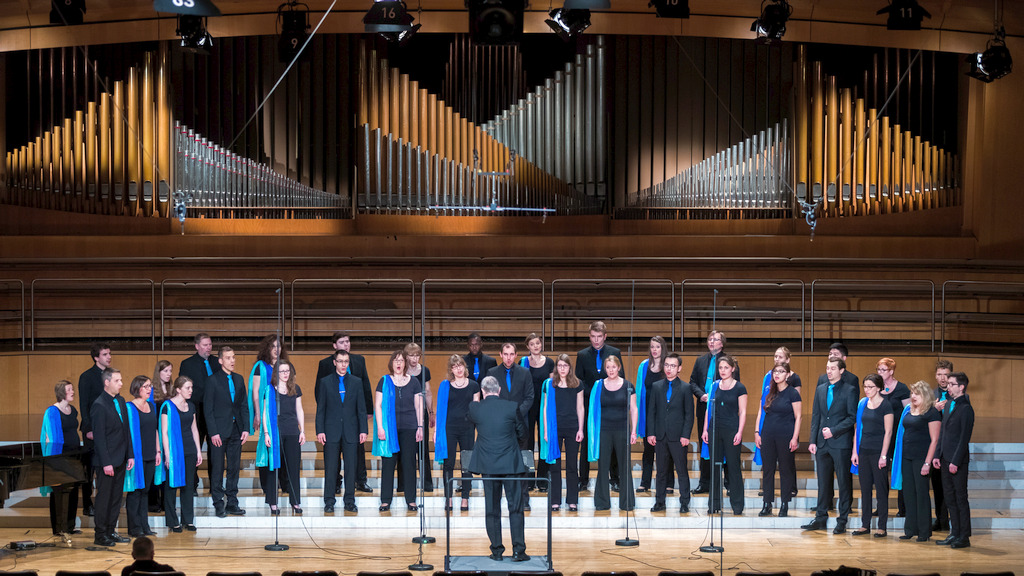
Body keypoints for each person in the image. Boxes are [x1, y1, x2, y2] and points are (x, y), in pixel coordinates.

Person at [468, 376, 529, 563]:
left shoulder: (475, 408)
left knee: (492, 509)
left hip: (488, 465)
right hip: (510, 463)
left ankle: (496, 551)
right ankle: (518, 551)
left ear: (483, 391)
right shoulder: (512, 407)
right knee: (515, 508)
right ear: (499, 390)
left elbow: (469, 422)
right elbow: (522, 433)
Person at [802, 357, 858, 534]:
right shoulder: (820, 389)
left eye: (833, 368)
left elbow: (851, 417)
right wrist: (812, 440)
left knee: (843, 482)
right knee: (823, 483)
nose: (829, 371)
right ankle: (820, 518)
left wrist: (834, 430)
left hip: (840, 442)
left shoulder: (850, 390)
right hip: (822, 443)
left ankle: (842, 520)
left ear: (841, 370)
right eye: (827, 368)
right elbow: (816, 416)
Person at [316, 331, 373, 494]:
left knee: (358, 452)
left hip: (354, 416)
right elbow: (319, 391)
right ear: (334, 346)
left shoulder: (359, 360)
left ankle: (360, 481)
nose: (346, 344)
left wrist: (368, 410)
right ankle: (335, 483)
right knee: (333, 456)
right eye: (342, 342)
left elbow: (366, 386)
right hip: (334, 418)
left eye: (347, 341)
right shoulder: (325, 363)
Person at [688, 330, 738, 494]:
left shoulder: (729, 362)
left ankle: (729, 484)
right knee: (705, 445)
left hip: (723, 411)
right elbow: (693, 382)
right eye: (710, 339)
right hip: (704, 409)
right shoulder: (700, 360)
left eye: (715, 339)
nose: (711, 342)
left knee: (724, 446)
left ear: (722, 344)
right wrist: (701, 395)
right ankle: (705, 483)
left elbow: (736, 386)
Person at [575, 321, 622, 492]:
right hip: (589, 404)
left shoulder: (614, 353)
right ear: (589, 336)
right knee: (586, 441)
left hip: (610, 404)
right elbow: (578, 381)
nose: (596, 340)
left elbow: (620, 378)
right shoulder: (582, 355)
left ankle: (614, 478)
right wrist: (594, 392)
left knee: (612, 442)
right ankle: (583, 479)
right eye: (593, 337)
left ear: (605, 336)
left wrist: (605, 393)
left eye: (599, 337)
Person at [374, 350, 423, 512]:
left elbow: (418, 406)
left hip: (409, 428)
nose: (398, 363)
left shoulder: (414, 382)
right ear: (391, 363)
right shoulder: (384, 381)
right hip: (389, 429)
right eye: (395, 360)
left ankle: (411, 500)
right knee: (388, 464)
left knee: (409, 464)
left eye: (401, 360)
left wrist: (420, 427)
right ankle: (385, 500)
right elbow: (378, 406)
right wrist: (380, 428)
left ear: (405, 363)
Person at [892, 380, 941, 542]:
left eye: (917, 393)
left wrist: (927, 463)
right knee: (908, 493)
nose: (913, 396)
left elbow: (934, 440)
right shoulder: (909, 410)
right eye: (912, 393)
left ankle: (924, 532)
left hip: (922, 458)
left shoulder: (932, 412)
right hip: (907, 457)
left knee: (921, 494)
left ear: (925, 395)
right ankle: (910, 529)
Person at [488, 342, 535, 509]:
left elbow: (529, 397)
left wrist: (514, 414)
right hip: (500, 427)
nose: (508, 357)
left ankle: (523, 501)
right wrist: (504, 416)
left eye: (511, 354)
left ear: (516, 355)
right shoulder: (492, 373)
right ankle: (498, 502)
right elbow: (490, 397)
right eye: (505, 354)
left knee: (521, 464)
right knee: (500, 464)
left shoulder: (525, 372)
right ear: (500, 354)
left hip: (520, 425)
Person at [204, 345, 249, 518]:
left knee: (233, 468)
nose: (232, 360)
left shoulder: (238, 379)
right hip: (218, 432)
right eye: (229, 358)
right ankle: (218, 502)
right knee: (217, 468)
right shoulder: (212, 380)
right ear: (221, 360)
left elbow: (243, 406)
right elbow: (208, 409)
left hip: (236, 430)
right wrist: (213, 432)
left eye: (234, 357)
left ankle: (232, 502)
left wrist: (245, 427)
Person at [90, 367, 134, 546]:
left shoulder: (121, 401)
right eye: (117, 381)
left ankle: (110, 530)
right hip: (107, 462)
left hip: (121, 458)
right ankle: (100, 534)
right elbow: (99, 438)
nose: (121, 384)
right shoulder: (99, 405)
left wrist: (130, 455)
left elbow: (126, 431)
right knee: (105, 498)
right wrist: (106, 463)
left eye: (121, 380)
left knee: (116, 497)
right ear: (107, 382)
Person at [588, 355, 637, 511]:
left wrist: (634, 431)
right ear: (605, 368)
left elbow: (634, 409)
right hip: (604, 430)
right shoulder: (598, 386)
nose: (611, 370)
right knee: (603, 466)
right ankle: (602, 502)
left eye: (613, 367)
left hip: (623, 430)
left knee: (625, 466)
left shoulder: (628, 386)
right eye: (608, 367)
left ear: (619, 367)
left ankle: (627, 502)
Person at [646, 352, 693, 513]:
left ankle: (685, 502)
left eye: (673, 366)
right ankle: (660, 502)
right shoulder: (657, 386)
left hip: (678, 437)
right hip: (660, 436)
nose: (669, 368)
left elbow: (689, 414)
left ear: (679, 368)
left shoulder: (686, 388)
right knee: (661, 471)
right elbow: (651, 411)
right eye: (666, 365)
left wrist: (686, 435)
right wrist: (651, 433)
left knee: (681, 471)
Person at [701, 355, 747, 515]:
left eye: (726, 367)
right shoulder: (714, 386)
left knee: (733, 467)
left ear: (732, 368)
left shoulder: (740, 388)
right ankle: (714, 504)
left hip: (732, 430)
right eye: (720, 368)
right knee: (715, 467)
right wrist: (705, 429)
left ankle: (737, 505)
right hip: (715, 429)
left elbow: (742, 411)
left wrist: (740, 432)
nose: (722, 370)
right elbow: (708, 409)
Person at [933, 371, 974, 549]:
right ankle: (954, 532)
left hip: (957, 461)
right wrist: (937, 454)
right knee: (949, 498)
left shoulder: (966, 408)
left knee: (960, 498)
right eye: (948, 384)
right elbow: (943, 433)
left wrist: (955, 462)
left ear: (961, 387)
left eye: (951, 384)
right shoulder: (949, 404)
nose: (948, 387)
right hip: (944, 458)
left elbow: (964, 437)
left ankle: (963, 536)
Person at [754, 347, 802, 499]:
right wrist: (757, 432)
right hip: (769, 432)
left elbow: (798, 415)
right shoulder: (769, 388)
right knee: (767, 468)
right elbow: (761, 410)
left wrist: (795, 437)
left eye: (781, 371)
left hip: (786, 431)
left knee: (785, 467)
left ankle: (785, 501)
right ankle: (767, 502)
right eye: (775, 371)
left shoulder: (793, 388)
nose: (777, 374)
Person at [434, 354, 480, 512]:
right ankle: (449, 498)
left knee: (466, 464)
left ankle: (465, 498)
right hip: (449, 429)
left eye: (460, 365)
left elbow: (476, 408)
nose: (458, 369)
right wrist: (436, 432)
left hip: (467, 428)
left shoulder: (474, 385)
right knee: (448, 464)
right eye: (455, 366)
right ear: (451, 369)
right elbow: (440, 410)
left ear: (464, 367)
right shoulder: (445, 385)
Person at [540, 354, 584, 512]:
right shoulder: (549, 384)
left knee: (572, 465)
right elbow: (545, 409)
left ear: (570, 367)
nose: (563, 369)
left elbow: (580, 407)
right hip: (554, 428)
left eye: (565, 366)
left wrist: (580, 429)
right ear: (556, 367)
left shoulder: (577, 384)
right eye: (560, 366)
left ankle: (572, 500)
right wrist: (546, 430)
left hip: (572, 428)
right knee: (555, 466)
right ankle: (555, 501)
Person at [850, 373, 893, 536]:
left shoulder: (886, 405)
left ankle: (882, 526)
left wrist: (883, 455)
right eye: (865, 387)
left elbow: (888, 432)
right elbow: (857, 429)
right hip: (864, 450)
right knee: (865, 489)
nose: (867, 390)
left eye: (870, 387)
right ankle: (865, 524)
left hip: (878, 451)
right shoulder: (863, 403)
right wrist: (855, 451)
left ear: (879, 388)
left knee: (881, 490)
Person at [161, 375, 202, 532]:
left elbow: (194, 429)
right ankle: (173, 521)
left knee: (188, 485)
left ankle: (188, 520)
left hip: (190, 449)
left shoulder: (191, 406)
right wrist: (167, 454)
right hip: (174, 451)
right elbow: (164, 432)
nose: (190, 391)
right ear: (178, 389)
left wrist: (198, 450)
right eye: (187, 388)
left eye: (191, 388)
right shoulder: (167, 406)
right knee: (172, 486)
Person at [40, 380, 81, 536]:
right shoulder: (52, 411)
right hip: (59, 457)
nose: (73, 392)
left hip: (75, 457)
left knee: (73, 491)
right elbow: (49, 437)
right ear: (62, 392)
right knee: (58, 491)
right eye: (69, 390)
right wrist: (54, 460)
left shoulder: (73, 410)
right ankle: (59, 528)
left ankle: (69, 526)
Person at [264, 360, 305, 514]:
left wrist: (303, 431)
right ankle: (273, 503)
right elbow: (265, 412)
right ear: (276, 373)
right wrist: (267, 433)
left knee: (294, 469)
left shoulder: (295, 389)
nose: (285, 374)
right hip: (275, 433)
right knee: (274, 468)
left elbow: (299, 410)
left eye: (287, 371)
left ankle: (295, 502)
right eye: (282, 371)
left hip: (292, 432)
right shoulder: (269, 389)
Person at [78, 342, 112, 517]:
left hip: (107, 427)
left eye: (109, 353)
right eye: (105, 354)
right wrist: (88, 428)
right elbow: (84, 405)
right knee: (89, 468)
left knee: (103, 464)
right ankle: (87, 504)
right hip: (92, 428)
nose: (109, 357)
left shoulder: (110, 375)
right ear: (96, 357)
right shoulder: (87, 376)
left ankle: (103, 502)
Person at [178, 333, 216, 487]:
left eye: (210, 344)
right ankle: (192, 483)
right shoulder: (187, 363)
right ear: (197, 346)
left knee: (215, 448)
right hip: (197, 409)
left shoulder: (216, 362)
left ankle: (214, 484)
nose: (209, 348)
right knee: (195, 445)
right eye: (205, 345)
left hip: (214, 410)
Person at [250, 334, 285, 501]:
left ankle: (281, 482)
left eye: (279, 347)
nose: (277, 350)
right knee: (266, 446)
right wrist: (257, 412)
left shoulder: (283, 366)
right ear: (267, 349)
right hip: (266, 411)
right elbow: (255, 391)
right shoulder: (260, 366)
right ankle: (267, 484)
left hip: (282, 413)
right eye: (273, 347)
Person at [124, 376, 160, 537]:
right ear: (137, 388)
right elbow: (126, 434)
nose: (149, 389)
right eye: (145, 386)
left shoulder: (151, 406)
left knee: (145, 491)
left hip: (150, 453)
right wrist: (129, 455)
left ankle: (145, 526)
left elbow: (155, 430)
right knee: (135, 491)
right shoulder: (129, 408)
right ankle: (134, 527)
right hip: (136, 456)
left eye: (150, 386)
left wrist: (158, 451)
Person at [520, 333, 555, 493]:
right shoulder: (522, 362)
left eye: (538, 343)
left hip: (544, 407)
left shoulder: (549, 362)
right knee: (526, 443)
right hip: (527, 407)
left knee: (544, 442)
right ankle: (528, 478)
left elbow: (552, 386)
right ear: (528, 346)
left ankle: (542, 479)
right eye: (532, 344)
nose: (536, 346)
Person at [877, 357, 911, 517]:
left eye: (883, 370)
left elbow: (909, 412)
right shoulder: (876, 387)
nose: (880, 373)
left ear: (891, 371)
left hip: (898, 436)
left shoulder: (902, 388)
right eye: (878, 370)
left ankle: (903, 508)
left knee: (899, 470)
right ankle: (881, 507)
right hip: (880, 436)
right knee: (880, 473)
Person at [636, 336, 667, 494]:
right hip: (647, 413)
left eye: (658, 347)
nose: (654, 350)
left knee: (665, 450)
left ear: (663, 348)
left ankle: (668, 483)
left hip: (664, 414)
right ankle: (644, 482)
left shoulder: (667, 364)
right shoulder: (643, 365)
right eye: (652, 347)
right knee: (648, 450)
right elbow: (639, 391)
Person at [405, 342, 434, 492]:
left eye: (417, 355)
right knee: (406, 450)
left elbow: (428, 392)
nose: (414, 358)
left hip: (421, 413)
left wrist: (431, 412)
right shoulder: (402, 370)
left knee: (423, 449)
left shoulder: (425, 370)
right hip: (405, 414)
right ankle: (404, 484)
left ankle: (427, 484)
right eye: (411, 355)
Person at [931, 359, 954, 532]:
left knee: (949, 486)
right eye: (939, 374)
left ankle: (949, 520)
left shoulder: (957, 394)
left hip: (950, 445)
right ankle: (940, 518)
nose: (943, 378)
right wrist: (934, 409)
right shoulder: (931, 394)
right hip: (934, 445)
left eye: (946, 375)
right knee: (937, 486)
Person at [148, 360, 174, 513]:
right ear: (158, 372)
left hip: (169, 433)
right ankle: (153, 502)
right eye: (165, 371)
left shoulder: (172, 390)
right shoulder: (151, 390)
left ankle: (166, 501)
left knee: (167, 467)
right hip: (155, 433)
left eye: (170, 371)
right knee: (156, 468)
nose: (168, 374)